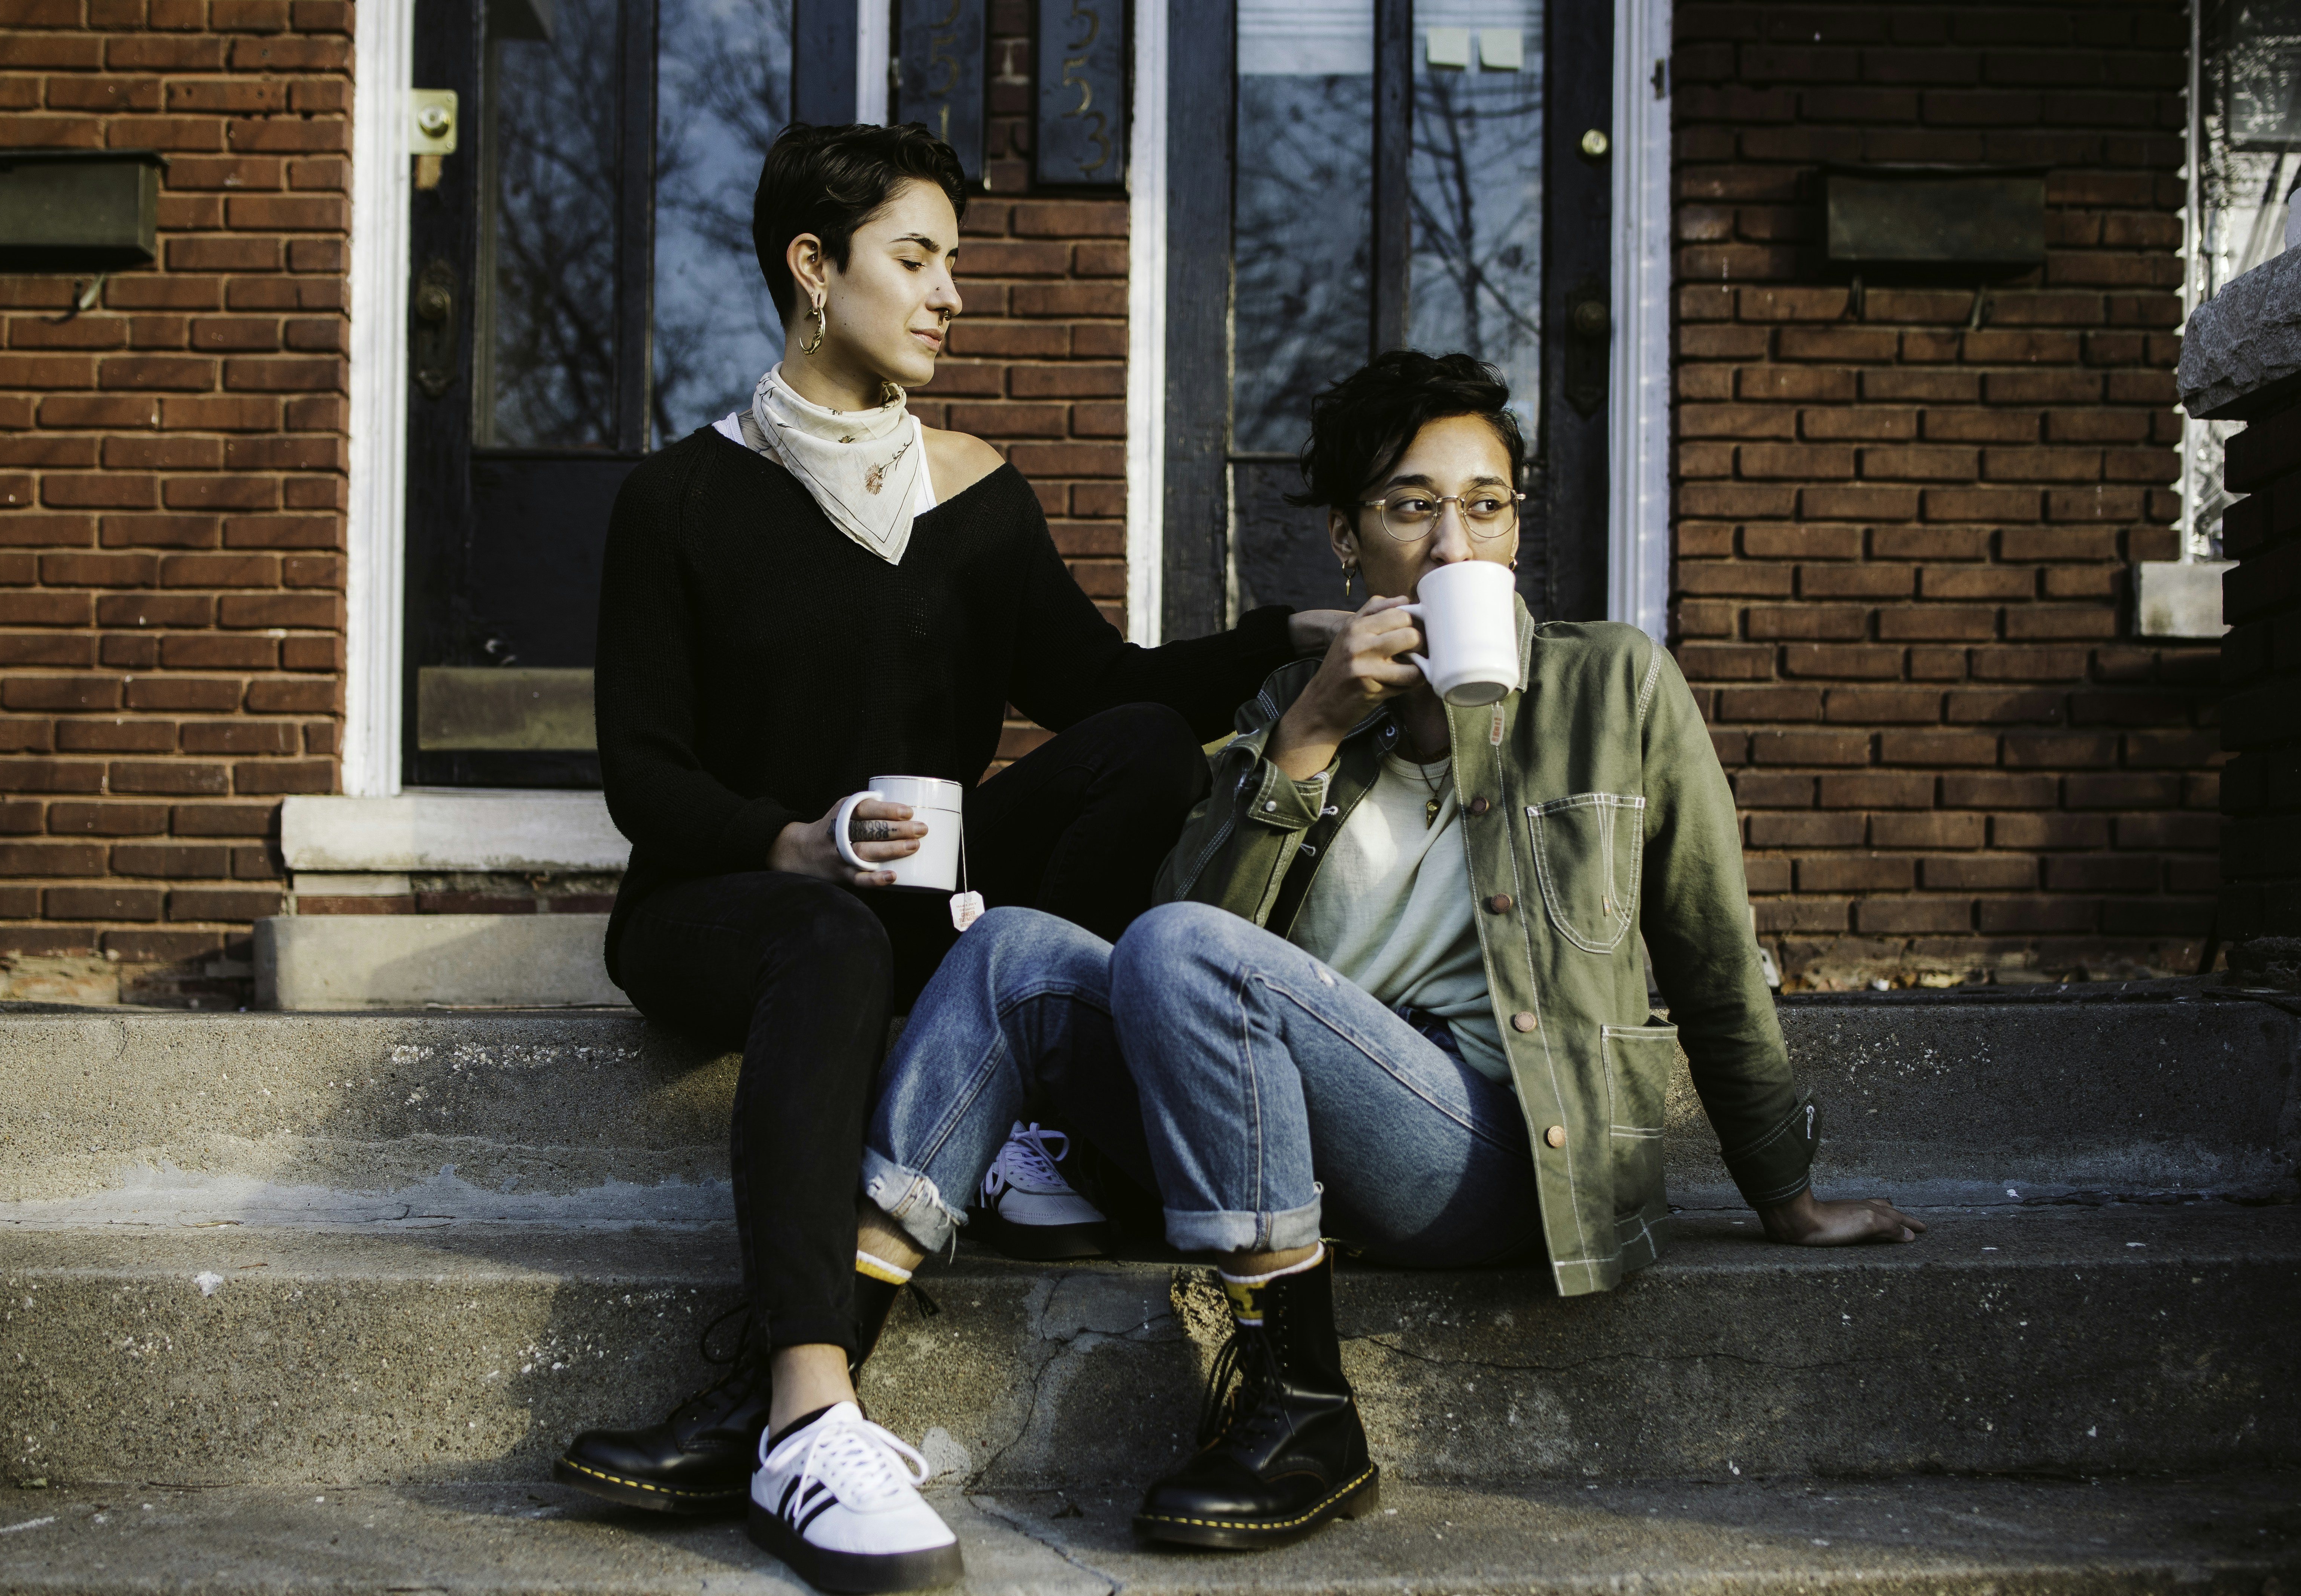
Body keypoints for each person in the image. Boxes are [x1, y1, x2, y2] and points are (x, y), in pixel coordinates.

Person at [846, 350, 1928, 1553]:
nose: (1454, 544)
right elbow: (1183, 964)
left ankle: (1304, 1412)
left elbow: (1711, 950)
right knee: (1010, 951)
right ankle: (809, 1383)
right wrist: (1307, 735)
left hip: (1504, 1149)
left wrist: (1787, 1195)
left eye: (1486, 505)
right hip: (1305, 1130)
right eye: (1411, 507)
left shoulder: (1615, 684)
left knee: (1178, 950)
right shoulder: (1287, 706)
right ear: (1348, 542)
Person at [554, 122, 1344, 1590]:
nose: (949, 295)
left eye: (952, 266)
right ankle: (804, 1412)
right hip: (737, 905)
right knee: (833, 936)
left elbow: (1108, 683)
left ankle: (1029, 1096)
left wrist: (1288, 638)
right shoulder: (677, 500)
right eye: (915, 260)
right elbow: (642, 777)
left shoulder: (975, 495)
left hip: (929, 895)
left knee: (1139, 753)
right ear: (813, 267)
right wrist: (792, 841)